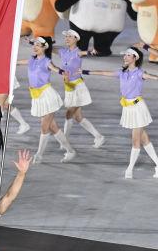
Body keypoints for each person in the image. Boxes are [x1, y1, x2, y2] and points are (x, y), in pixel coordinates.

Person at [83, 47, 158, 178]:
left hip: (138, 109)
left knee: (136, 141)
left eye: (128, 55)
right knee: (144, 139)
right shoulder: (122, 72)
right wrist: (86, 71)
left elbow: (152, 77)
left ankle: (130, 169)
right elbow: (104, 73)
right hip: (128, 108)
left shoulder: (140, 73)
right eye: (125, 55)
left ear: (135, 58)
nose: (125, 57)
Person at [18, 37, 76, 163]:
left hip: (47, 96)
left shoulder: (47, 61)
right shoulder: (31, 60)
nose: (35, 47)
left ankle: (39, 155)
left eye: (38, 45)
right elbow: (15, 63)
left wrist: (63, 73)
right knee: (53, 127)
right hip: (36, 96)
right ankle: (70, 151)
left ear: (45, 47)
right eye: (34, 44)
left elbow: (55, 68)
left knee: (44, 127)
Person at [56, 30, 105, 148]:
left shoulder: (77, 52)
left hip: (77, 87)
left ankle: (65, 141)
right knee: (78, 117)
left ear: (76, 39)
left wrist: (91, 52)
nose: (67, 38)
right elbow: (49, 49)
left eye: (70, 36)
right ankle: (99, 136)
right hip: (68, 86)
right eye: (66, 36)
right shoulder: (63, 52)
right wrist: (36, 43)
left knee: (68, 114)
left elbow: (84, 53)